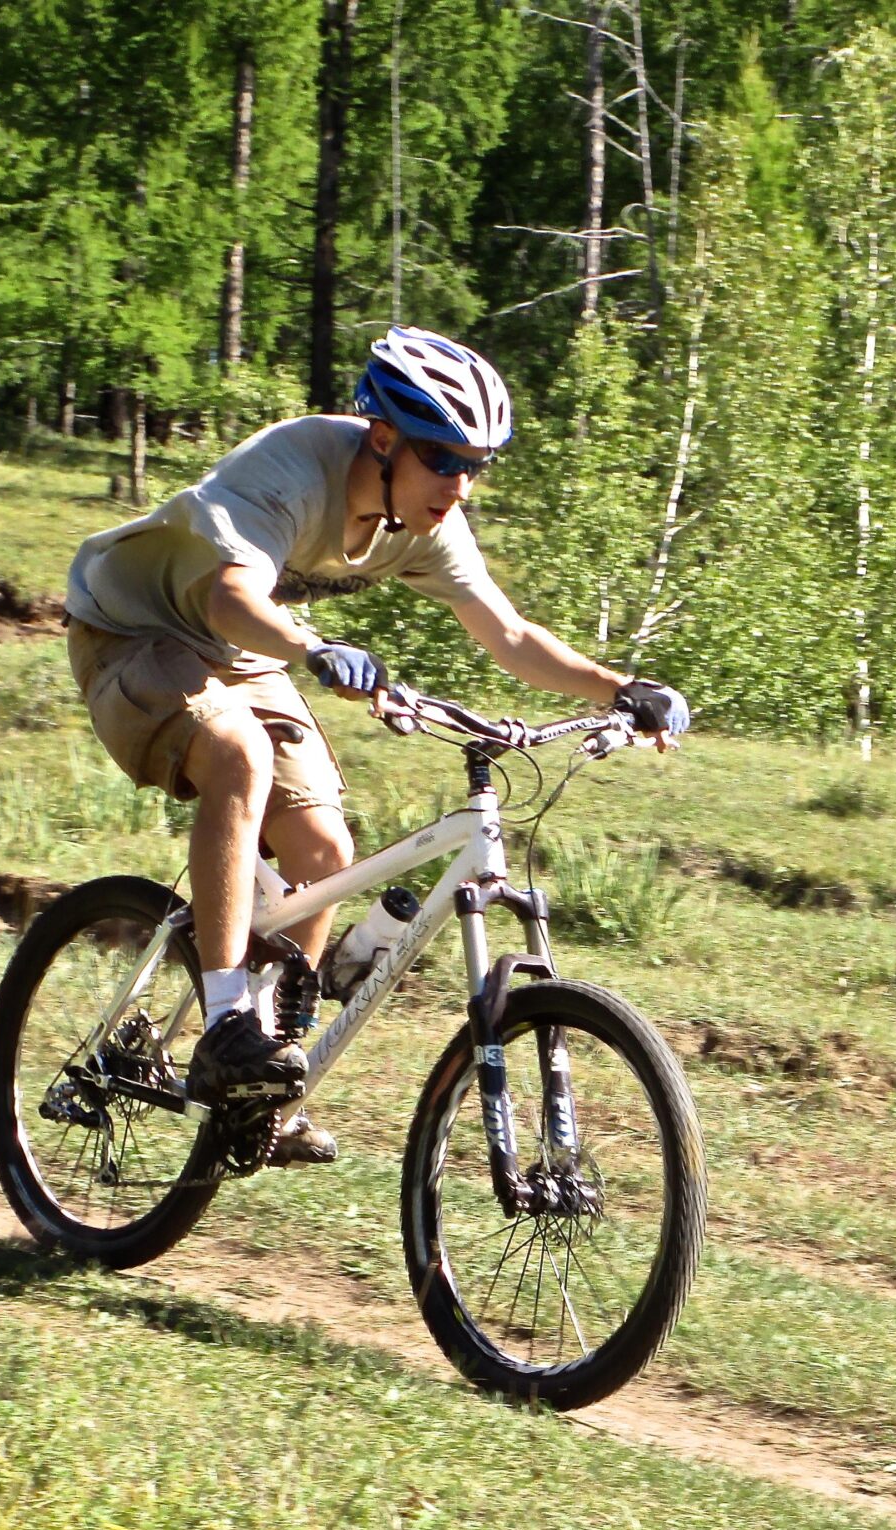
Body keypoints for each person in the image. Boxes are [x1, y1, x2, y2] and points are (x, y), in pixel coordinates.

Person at [62, 325, 689, 1164]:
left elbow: (506, 634)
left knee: (325, 852)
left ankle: (266, 1084)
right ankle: (224, 1023)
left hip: (245, 652)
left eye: (477, 466)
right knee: (238, 759)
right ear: (384, 439)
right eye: (445, 460)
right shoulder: (290, 466)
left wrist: (622, 690)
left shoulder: (426, 519)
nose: (460, 485)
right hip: (133, 631)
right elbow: (231, 597)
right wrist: (314, 650)